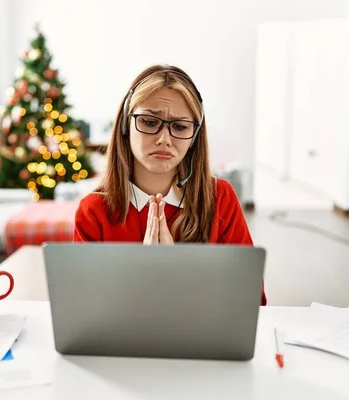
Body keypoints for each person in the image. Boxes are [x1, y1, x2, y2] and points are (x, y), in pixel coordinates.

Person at [73, 64, 267, 306]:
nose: (164, 139)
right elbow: (86, 308)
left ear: (194, 138)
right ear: (125, 125)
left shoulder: (220, 197)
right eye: (149, 122)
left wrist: (178, 277)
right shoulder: (94, 210)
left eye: (179, 127)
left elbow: (252, 302)